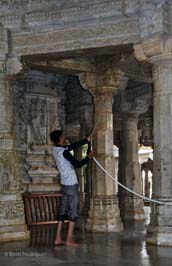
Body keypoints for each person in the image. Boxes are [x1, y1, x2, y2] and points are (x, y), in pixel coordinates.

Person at [50, 130, 94, 247]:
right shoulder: (64, 152)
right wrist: (88, 158)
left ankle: (58, 238)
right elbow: (78, 164)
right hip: (71, 184)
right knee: (74, 210)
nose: (65, 137)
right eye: (63, 135)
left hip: (64, 184)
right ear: (60, 138)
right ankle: (69, 239)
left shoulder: (56, 150)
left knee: (63, 210)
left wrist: (85, 141)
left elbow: (71, 147)